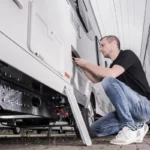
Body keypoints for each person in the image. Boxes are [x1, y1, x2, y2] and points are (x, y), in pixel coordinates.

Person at [74, 35, 150, 145]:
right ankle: (138, 127)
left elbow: (110, 74)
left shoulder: (127, 55)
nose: (100, 49)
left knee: (108, 80)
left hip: (144, 106)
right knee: (92, 130)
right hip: (132, 112)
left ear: (114, 43)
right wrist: (82, 66)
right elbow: (95, 79)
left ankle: (128, 127)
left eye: (102, 45)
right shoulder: (113, 65)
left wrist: (86, 63)